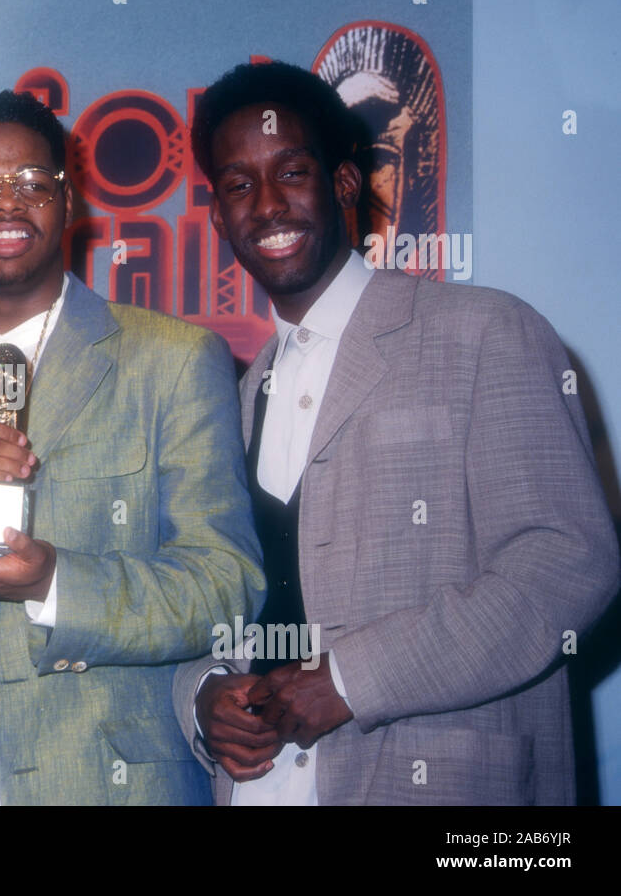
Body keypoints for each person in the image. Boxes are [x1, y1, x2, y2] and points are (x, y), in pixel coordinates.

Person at [174, 61, 619, 804]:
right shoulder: (237, 393)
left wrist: (350, 679)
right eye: (239, 186)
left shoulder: (485, 332)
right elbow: (210, 597)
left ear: (346, 185)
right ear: (218, 217)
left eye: (292, 171)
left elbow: (568, 561)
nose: (268, 205)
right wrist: (203, 695)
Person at [0, 90, 264, 805]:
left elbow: (226, 586)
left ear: (72, 203)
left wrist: (51, 583)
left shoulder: (175, 361)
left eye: (34, 182)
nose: (6, 203)